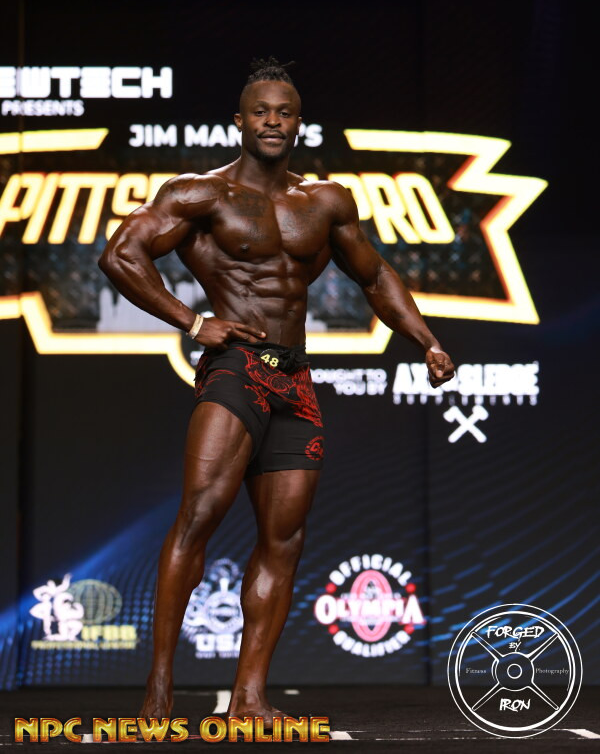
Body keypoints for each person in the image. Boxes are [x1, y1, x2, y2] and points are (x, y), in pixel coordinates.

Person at [98, 57, 455, 724]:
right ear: (238, 122)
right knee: (200, 516)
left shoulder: (325, 202)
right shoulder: (201, 195)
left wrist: (426, 340)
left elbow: (375, 277)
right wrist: (193, 322)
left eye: (283, 112)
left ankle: (249, 698)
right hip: (235, 367)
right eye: (260, 111)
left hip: (295, 378)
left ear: (299, 124)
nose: (271, 121)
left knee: (284, 541)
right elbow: (121, 253)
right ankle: (158, 691)